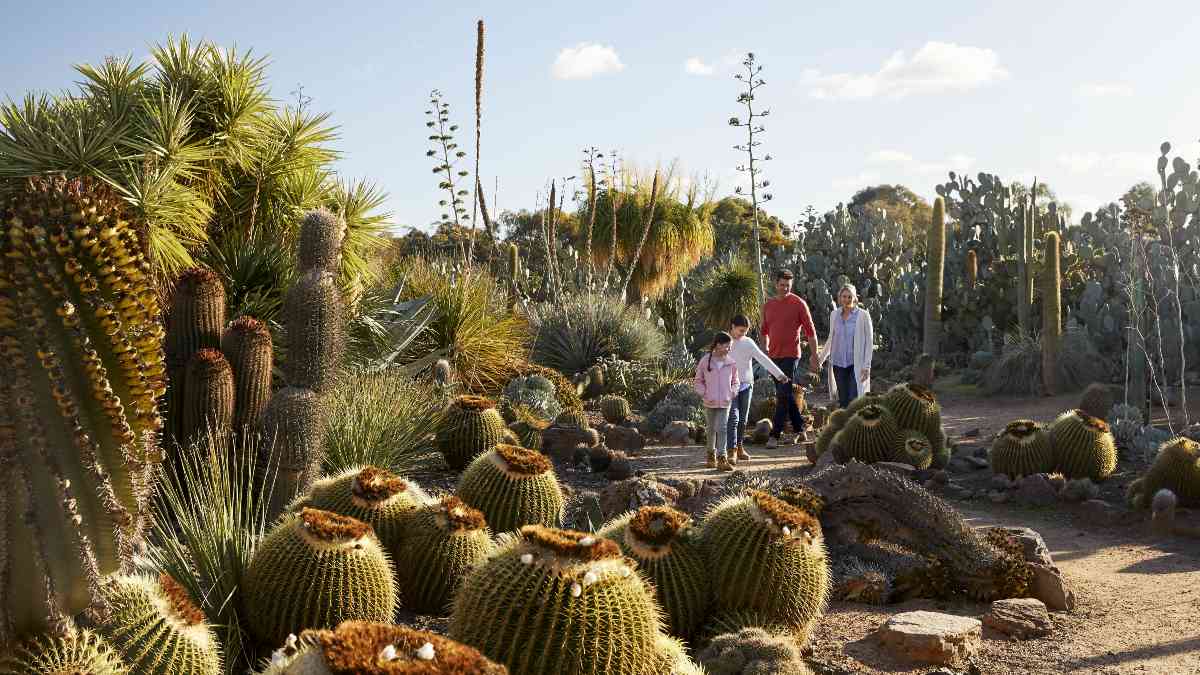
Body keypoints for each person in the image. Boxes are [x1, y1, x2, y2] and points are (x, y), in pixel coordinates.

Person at [761, 269, 819, 448]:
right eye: (782, 285)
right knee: (786, 395)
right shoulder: (768, 305)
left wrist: (815, 356)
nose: (785, 288)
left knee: (783, 395)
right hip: (773, 357)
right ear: (775, 284)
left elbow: (810, 332)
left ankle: (775, 435)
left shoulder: (798, 303)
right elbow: (763, 332)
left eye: (788, 285)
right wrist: (764, 353)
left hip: (791, 355)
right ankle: (800, 429)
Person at [726, 314, 789, 462]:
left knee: (743, 419)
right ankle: (731, 450)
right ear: (733, 327)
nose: (743, 334)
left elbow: (762, 358)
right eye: (741, 330)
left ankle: (740, 447)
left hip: (747, 385)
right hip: (729, 387)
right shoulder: (725, 341)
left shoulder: (748, 342)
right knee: (733, 418)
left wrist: (780, 375)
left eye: (746, 331)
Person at [817, 283, 874, 408]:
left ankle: (855, 426)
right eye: (844, 296)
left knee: (854, 398)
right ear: (839, 297)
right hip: (838, 363)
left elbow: (869, 343)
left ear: (854, 298)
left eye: (849, 296)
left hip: (856, 364)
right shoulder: (834, 315)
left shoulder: (863, 315)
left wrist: (867, 366)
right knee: (843, 400)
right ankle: (844, 426)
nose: (847, 299)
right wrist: (820, 360)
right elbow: (831, 339)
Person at [694, 331, 739, 471]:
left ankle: (722, 458)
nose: (729, 349)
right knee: (711, 429)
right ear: (718, 345)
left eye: (730, 346)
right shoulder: (705, 361)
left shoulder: (731, 363)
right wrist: (704, 393)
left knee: (722, 428)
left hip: (725, 402)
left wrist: (732, 392)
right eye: (727, 346)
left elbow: (735, 381)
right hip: (710, 402)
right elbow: (697, 381)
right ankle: (710, 456)